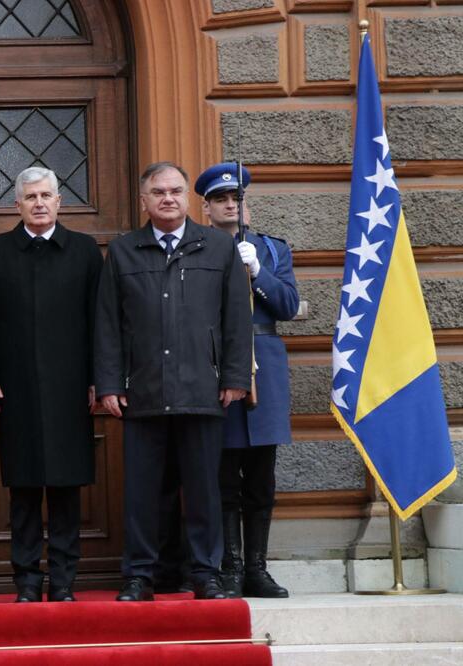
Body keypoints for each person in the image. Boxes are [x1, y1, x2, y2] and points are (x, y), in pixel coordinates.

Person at [95, 161, 252, 601]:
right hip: (142, 391)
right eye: (158, 192)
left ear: (188, 198)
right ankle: (139, 576)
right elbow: (107, 324)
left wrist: (236, 376)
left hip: (204, 388)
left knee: (204, 490)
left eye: (175, 191)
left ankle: (206, 574)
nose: (168, 198)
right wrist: (109, 383)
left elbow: (236, 320)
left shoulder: (218, 248)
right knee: (142, 493)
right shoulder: (123, 251)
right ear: (143, 200)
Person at [0, 166, 103, 603]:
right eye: (31, 197)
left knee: (66, 489)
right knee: (24, 490)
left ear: (60, 202)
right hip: (17, 390)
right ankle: (27, 580)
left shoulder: (85, 251)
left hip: (71, 390)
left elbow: (99, 323)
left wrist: (96, 380)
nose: (40, 203)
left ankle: (64, 580)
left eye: (47, 195)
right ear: (18, 205)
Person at [194, 162, 298, 598]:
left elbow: (288, 305)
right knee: (223, 478)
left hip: (265, 365)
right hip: (217, 367)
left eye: (236, 199)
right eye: (221, 200)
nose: (230, 206)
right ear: (206, 209)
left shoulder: (271, 251)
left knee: (261, 478)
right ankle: (230, 566)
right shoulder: (198, 249)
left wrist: (258, 273)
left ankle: (257, 566)